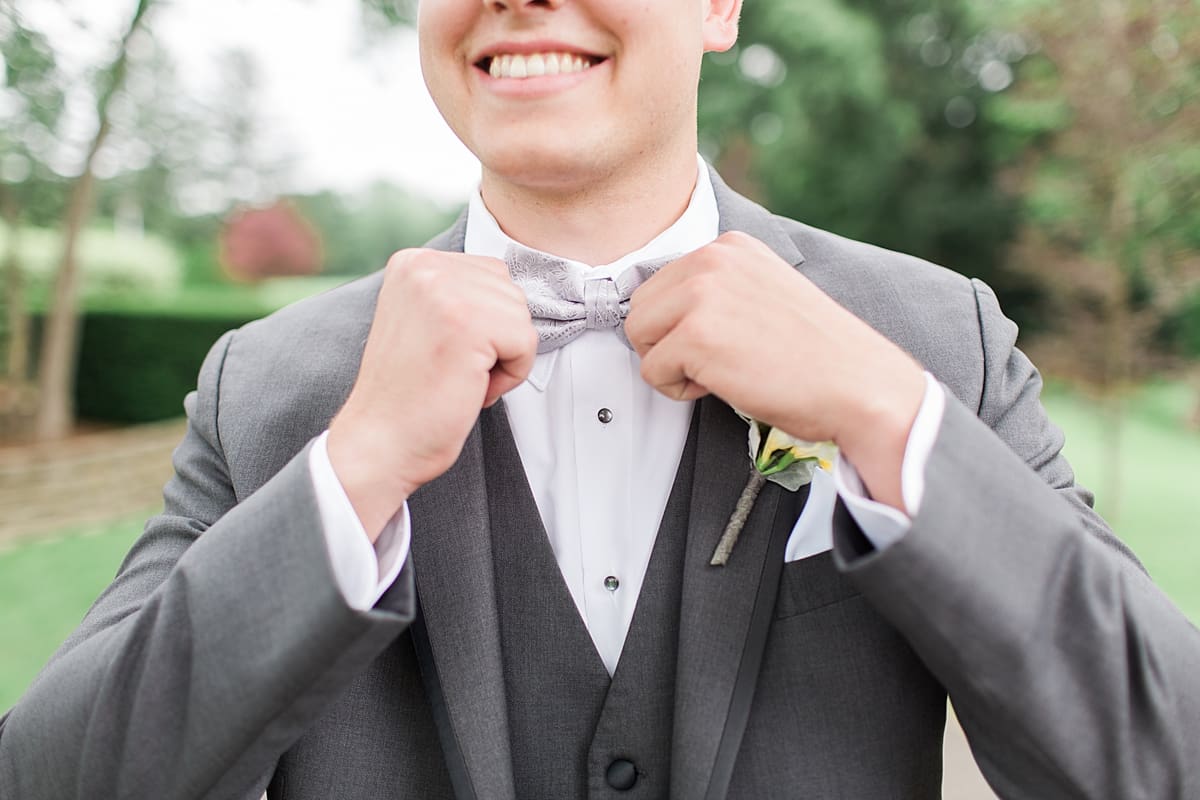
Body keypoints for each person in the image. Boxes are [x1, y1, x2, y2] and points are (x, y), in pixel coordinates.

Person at [2, 0, 1198, 797]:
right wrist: (349, 470)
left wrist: (890, 419)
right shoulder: (271, 386)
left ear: (721, 4)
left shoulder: (936, 342)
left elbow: (1164, 753)